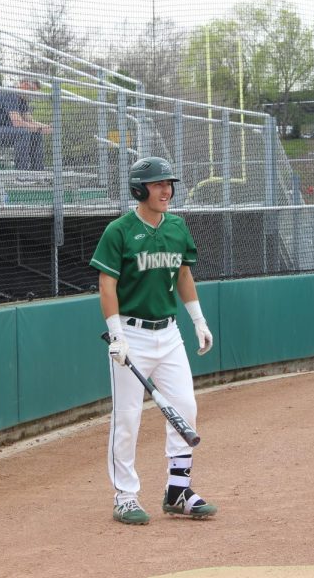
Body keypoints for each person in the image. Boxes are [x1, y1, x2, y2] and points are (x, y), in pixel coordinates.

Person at [89, 156, 217, 525]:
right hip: (131, 335)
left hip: (169, 333)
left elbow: (183, 274)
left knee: (185, 408)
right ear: (138, 190)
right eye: (158, 184)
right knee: (127, 418)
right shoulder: (119, 231)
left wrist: (198, 320)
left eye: (169, 184)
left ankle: (178, 491)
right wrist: (116, 334)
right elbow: (106, 284)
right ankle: (125, 495)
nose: (166, 190)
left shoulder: (177, 227)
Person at [0, 79, 50, 171]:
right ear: (24, 84)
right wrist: (40, 128)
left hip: (4, 132)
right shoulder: (10, 93)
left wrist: (48, 127)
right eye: (32, 90)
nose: (32, 94)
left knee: (36, 134)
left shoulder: (23, 100)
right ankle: (21, 174)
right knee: (23, 132)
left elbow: (31, 121)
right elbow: (18, 123)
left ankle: (38, 172)